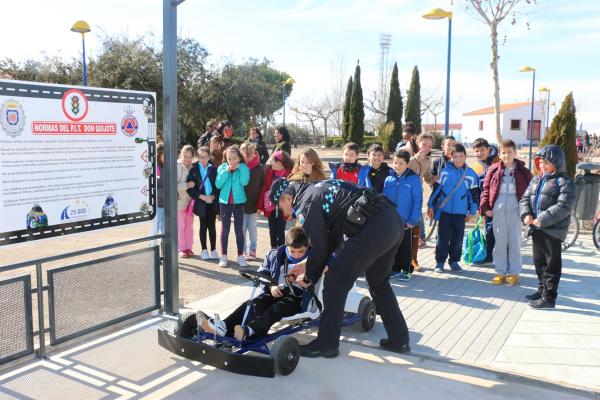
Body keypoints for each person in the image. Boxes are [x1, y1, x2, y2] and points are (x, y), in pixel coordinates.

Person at [277, 179, 410, 358]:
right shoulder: (317, 189)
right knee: (379, 283)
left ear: (287, 198)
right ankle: (399, 340)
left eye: (280, 206)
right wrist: (306, 266)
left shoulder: (305, 202)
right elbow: (332, 240)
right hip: (391, 222)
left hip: (374, 229)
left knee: (334, 284)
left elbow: (319, 247)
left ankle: (327, 344)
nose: (284, 213)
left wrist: (309, 277)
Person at [195, 227, 310, 340]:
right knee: (253, 304)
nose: (296, 255)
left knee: (275, 309)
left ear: (307, 247)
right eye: (292, 251)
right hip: (275, 291)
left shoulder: (310, 261)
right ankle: (224, 325)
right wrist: (271, 286)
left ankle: (249, 330)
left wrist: (304, 282)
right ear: (286, 247)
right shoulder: (275, 256)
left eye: (301, 251)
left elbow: (314, 282)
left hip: (296, 297)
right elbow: (263, 272)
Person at [520, 144, 576, 309]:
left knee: (552, 264)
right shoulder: (536, 179)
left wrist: (542, 219)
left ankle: (549, 297)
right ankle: (541, 289)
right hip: (536, 228)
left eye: (546, 162)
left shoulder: (565, 182)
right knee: (539, 262)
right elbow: (524, 199)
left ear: (556, 162)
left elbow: (564, 207)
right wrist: (526, 215)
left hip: (553, 230)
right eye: (540, 162)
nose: (542, 166)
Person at [480, 140, 532, 285]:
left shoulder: (524, 171)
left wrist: (528, 211)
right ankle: (500, 272)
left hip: (516, 210)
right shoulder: (493, 169)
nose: (507, 155)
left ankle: (514, 272)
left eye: (510, 152)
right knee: (500, 243)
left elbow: (531, 192)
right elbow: (486, 190)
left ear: (515, 153)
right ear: (499, 154)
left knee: (515, 242)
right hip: (498, 210)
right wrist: (485, 208)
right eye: (504, 152)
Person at [427, 143, 480, 273]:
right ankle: (440, 262)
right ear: (450, 157)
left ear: (465, 157)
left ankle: (454, 262)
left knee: (458, 239)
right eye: (455, 156)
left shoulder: (471, 175)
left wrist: (472, 211)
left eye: (461, 156)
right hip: (445, 211)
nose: (458, 159)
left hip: (461, 213)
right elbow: (436, 191)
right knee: (443, 238)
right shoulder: (444, 172)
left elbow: (474, 195)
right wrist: (430, 205)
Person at [384, 149, 423, 281]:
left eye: (401, 163)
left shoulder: (413, 180)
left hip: (406, 221)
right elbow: (384, 200)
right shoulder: (389, 179)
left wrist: (413, 219)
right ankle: (394, 269)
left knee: (405, 247)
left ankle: (407, 270)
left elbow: (418, 201)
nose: (397, 166)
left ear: (407, 164)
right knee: (392, 246)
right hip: (391, 220)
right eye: (395, 163)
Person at [401, 133, 434, 268]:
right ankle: (401, 260)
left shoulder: (428, 160)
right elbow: (402, 170)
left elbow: (426, 176)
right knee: (402, 231)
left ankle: (414, 260)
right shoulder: (407, 156)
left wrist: (433, 179)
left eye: (430, 146)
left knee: (416, 229)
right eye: (424, 144)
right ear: (418, 144)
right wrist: (415, 159)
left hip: (417, 197)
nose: (427, 148)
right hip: (404, 197)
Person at [215, 145, 250, 267]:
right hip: (224, 203)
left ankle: (240, 256)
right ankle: (223, 256)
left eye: (234, 158)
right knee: (225, 230)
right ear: (226, 159)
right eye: (229, 159)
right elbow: (218, 184)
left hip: (239, 203)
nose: (232, 161)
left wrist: (240, 169)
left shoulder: (244, 168)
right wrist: (226, 171)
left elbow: (244, 182)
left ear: (239, 158)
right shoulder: (222, 168)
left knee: (239, 230)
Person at [186, 146, 219, 260]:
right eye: (200, 157)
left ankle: (214, 249)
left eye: (205, 156)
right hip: (201, 203)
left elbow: (218, 186)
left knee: (212, 226)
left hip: (212, 201)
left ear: (209, 157)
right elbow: (190, 189)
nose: (202, 159)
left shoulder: (214, 169)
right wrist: (202, 196)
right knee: (203, 225)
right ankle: (204, 249)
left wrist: (213, 196)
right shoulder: (194, 169)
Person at [471, 138, 500, 264]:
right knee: (489, 229)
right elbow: (476, 187)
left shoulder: (498, 162)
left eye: (482, 150)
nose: (479, 153)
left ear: (489, 149)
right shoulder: (477, 166)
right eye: (477, 151)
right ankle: (489, 255)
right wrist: (479, 205)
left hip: (499, 202)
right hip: (485, 203)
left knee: (501, 230)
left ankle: (501, 255)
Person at [258, 150, 294, 249]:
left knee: (280, 230)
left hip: (283, 208)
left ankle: (281, 250)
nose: (270, 163)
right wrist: (260, 206)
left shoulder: (290, 174)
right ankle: (273, 249)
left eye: (272, 161)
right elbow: (264, 189)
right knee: (272, 230)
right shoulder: (269, 172)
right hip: (271, 207)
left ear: (279, 162)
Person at [240, 142, 265, 261]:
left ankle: (253, 249)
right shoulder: (239, 167)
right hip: (241, 204)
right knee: (242, 228)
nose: (247, 157)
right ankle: (243, 250)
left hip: (254, 205)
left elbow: (262, 188)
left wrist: (261, 205)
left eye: (249, 154)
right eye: (244, 154)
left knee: (252, 228)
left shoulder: (259, 168)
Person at [176, 145, 196, 258]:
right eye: (185, 156)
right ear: (180, 155)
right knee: (180, 226)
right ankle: (181, 248)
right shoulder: (177, 167)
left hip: (190, 204)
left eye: (190, 157)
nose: (187, 159)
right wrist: (187, 185)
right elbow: (172, 185)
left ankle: (188, 247)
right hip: (179, 203)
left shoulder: (193, 167)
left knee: (189, 227)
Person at [150, 142, 165, 246]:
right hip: (157, 205)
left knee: (164, 229)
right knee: (155, 228)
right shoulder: (156, 168)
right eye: (165, 154)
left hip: (167, 205)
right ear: (159, 155)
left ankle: (164, 251)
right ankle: (152, 248)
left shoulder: (169, 167)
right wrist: (168, 192)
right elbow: (154, 187)